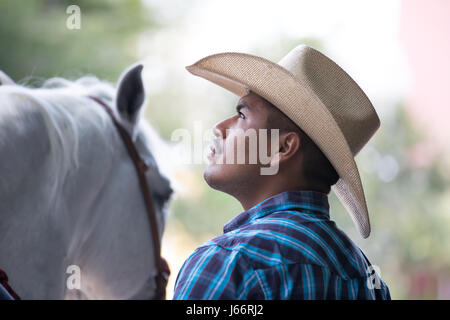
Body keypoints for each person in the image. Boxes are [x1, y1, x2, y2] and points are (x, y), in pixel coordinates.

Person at [173, 45, 391, 299]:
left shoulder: (230, 263)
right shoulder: (369, 282)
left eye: (241, 115)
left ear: (283, 147)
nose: (219, 127)